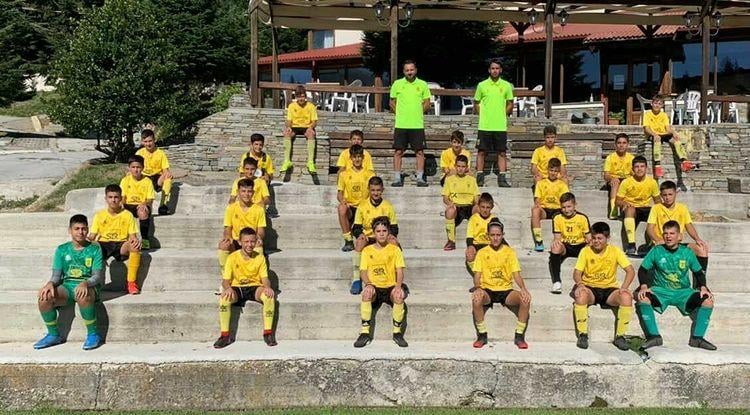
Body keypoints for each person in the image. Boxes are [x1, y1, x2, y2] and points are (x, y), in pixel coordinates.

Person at [635, 220, 716, 350]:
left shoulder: (687, 252)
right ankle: (654, 337)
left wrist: (703, 287)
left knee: (708, 301)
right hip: (661, 291)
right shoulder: (656, 251)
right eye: (665, 233)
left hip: (683, 293)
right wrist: (644, 286)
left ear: (679, 236)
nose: (668, 236)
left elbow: (698, 273)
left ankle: (697, 338)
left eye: (672, 233)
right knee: (643, 298)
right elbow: (642, 270)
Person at [34, 214, 105, 350]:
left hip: (88, 287)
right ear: (70, 230)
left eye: (83, 229)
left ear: (87, 230)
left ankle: (93, 334)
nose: (80, 232)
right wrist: (50, 284)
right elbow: (56, 276)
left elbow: (97, 276)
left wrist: (85, 283)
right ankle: (53, 335)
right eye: (76, 229)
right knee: (44, 297)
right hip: (67, 287)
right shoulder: (62, 249)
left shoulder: (95, 249)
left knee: (82, 294)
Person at [572, 222, 635, 350]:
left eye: (600, 238)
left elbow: (630, 271)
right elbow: (577, 272)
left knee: (626, 297)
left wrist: (624, 287)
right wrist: (580, 284)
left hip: (609, 290)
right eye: (594, 238)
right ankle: (583, 334)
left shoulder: (615, 251)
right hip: (590, 288)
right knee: (580, 295)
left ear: (608, 238)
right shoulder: (585, 251)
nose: (596, 241)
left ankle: (620, 336)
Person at [471, 218, 531, 349]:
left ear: (503, 235)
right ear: (488, 236)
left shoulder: (510, 252)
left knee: (525, 299)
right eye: (492, 235)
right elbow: (477, 275)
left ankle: (519, 335)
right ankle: (482, 335)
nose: (495, 238)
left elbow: (516, 274)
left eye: (498, 235)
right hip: (488, 290)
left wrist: (523, 288)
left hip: (505, 290)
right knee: (476, 299)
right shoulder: (482, 253)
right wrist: (478, 288)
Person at [213, 227, 277, 348]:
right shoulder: (232, 257)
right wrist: (228, 288)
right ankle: (224, 336)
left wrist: (268, 287)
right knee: (224, 299)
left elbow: (264, 278)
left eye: (252, 241)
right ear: (239, 242)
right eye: (246, 241)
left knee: (269, 296)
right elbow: (225, 281)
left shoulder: (260, 257)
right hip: (237, 288)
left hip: (254, 287)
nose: (249, 245)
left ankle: (268, 333)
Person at [353, 217, 409, 348]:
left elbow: (400, 270)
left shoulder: (394, 249)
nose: (382, 234)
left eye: (384, 231)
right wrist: (368, 284)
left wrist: (398, 286)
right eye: (378, 231)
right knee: (366, 294)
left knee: (399, 296)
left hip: (390, 286)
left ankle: (397, 333)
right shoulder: (367, 250)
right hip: (375, 286)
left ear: (388, 232)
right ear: (374, 233)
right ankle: (365, 332)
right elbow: (363, 271)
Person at [88, 184, 142, 295]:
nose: (113, 200)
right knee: (90, 246)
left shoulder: (128, 215)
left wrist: (135, 240)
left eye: (116, 197)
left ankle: (131, 283)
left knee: (134, 246)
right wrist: (86, 241)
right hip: (103, 244)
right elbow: (92, 236)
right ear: (106, 198)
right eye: (110, 197)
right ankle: (92, 283)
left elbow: (132, 236)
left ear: (121, 198)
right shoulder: (99, 215)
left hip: (121, 245)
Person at [351, 176, 399, 295]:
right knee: (359, 243)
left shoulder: (388, 206)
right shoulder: (362, 206)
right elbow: (356, 227)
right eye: (373, 190)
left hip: (383, 237)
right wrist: (360, 234)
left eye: (378, 190)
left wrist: (391, 235)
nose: (375, 193)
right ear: (369, 190)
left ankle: (396, 279)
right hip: (369, 237)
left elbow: (394, 227)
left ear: (382, 190)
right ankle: (356, 279)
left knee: (394, 243)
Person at [646, 180, 709, 269]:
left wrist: (697, 239)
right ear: (661, 195)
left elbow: (689, 225)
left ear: (676, 193)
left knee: (701, 250)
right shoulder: (656, 208)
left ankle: (700, 278)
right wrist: (658, 240)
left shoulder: (682, 208)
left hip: (677, 244)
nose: (667, 197)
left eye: (670, 194)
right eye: (664, 195)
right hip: (662, 244)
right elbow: (649, 228)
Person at [390, 60, 431, 187]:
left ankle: (420, 178)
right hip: (401, 124)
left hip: (417, 125)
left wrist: (417, 113)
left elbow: (427, 103)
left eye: (411, 69)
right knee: (398, 152)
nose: (409, 72)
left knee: (419, 152)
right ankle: (397, 178)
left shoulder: (422, 84)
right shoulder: (397, 84)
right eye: (407, 70)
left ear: (416, 70)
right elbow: (392, 102)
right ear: (403, 71)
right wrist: (400, 113)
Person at [474, 59, 514, 187]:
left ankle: (502, 179)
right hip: (484, 126)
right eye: (492, 68)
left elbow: (510, 103)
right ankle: (479, 177)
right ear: (489, 70)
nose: (495, 71)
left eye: (497, 68)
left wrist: (502, 114)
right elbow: (476, 102)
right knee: (481, 152)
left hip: (500, 126)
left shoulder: (506, 86)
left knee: (502, 152)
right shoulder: (481, 85)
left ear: (500, 70)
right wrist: (483, 115)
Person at [642, 96, 695, 184]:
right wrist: (654, 134)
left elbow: (667, 128)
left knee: (676, 141)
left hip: (663, 134)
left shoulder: (663, 115)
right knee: (657, 140)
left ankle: (684, 161)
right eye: (655, 103)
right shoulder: (647, 114)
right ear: (651, 104)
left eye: (659, 104)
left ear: (662, 105)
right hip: (652, 134)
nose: (657, 105)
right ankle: (657, 165)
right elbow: (646, 128)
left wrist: (674, 133)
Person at [616, 156, 660, 257]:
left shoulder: (652, 182)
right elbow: (617, 201)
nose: (639, 169)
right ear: (632, 169)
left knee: (657, 211)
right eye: (636, 167)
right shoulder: (626, 182)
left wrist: (661, 210)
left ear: (646, 168)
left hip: (645, 208)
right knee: (630, 209)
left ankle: (652, 244)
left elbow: (657, 200)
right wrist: (624, 203)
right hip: (630, 209)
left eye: (642, 166)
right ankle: (631, 245)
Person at [218, 179, 266, 271]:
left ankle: (256, 273)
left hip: (250, 241)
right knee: (223, 245)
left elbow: (261, 230)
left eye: (249, 191)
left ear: (253, 193)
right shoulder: (231, 208)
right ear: (237, 192)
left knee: (258, 245)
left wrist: (259, 237)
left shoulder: (259, 209)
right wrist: (228, 237)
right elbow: (227, 228)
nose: (246, 194)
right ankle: (226, 274)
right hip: (236, 241)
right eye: (243, 191)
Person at [549, 192, 591, 294]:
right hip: (566, 246)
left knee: (591, 249)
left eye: (569, 206)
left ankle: (587, 281)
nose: (566, 210)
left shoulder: (582, 218)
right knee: (555, 247)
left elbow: (589, 238)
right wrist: (556, 243)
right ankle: (557, 282)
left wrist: (589, 244)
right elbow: (557, 238)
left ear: (575, 205)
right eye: (563, 207)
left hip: (580, 246)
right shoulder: (557, 217)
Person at [337, 145, 375, 252]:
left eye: (359, 157)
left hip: (364, 208)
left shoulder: (370, 174)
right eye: (354, 157)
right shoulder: (344, 174)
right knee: (341, 208)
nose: (357, 159)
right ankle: (348, 240)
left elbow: (374, 191)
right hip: (351, 207)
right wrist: (343, 201)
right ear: (351, 158)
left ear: (363, 158)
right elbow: (339, 193)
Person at [531, 158, 569, 252]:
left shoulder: (562, 185)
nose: (553, 173)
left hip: (557, 210)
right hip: (545, 210)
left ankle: (563, 241)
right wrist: (537, 206)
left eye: (555, 171)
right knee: (535, 210)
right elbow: (537, 199)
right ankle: (538, 240)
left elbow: (566, 199)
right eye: (551, 170)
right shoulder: (541, 183)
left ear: (558, 172)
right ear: (547, 170)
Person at [441, 155, 479, 251]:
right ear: (455, 166)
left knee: (478, 208)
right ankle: (451, 241)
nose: (460, 169)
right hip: (456, 207)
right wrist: (450, 204)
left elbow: (476, 197)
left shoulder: (472, 180)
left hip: (469, 206)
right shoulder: (449, 179)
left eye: (463, 166)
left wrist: (477, 204)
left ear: (466, 168)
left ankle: (477, 240)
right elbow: (445, 197)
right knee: (450, 211)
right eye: (458, 166)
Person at [120, 155, 155, 250]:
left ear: (143, 168)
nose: (136, 170)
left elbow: (150, 199)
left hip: (141, 205)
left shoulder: (147, 181)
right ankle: (122, 240)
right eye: (133, 167)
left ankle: (145, 240)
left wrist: (144, 203)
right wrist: (121, 206)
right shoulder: (125, 180)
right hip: (128, 205)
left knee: (142, 212)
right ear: (129, 168)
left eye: (138, 167)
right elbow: (123, 197)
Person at [282, 85, 318, 175]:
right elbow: (289, 120)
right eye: (299, 97)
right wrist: (288, 127)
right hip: (295, 127)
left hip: (307, 127)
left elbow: (314, 121)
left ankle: (310, 162)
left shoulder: (311, 106)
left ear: (305, 96)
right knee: (286, 133)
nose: (301, 99)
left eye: (302, 96)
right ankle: (287, 161)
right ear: (296, 97)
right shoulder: (291, 106)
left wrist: (311, 127)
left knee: (311, 134)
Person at [136, 129, 173, 215]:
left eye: (150, 141)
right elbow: (135, 167)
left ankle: (163, 205)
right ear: (142, 142)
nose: (148, 144)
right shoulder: (139, 153)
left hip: (157, 178)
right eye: (145, 141)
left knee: (168, 178)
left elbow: (165, 169)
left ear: (154, 140)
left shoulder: (160, 153)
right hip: (144, 177)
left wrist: (167, 173)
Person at [603, 133, 635, 219]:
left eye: (624, 143)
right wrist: (612, 178)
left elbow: (634, 174)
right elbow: (606, 175)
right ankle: (613, 210)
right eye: (619, 143)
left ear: (628, 144)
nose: (621, 145)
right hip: (613, 181)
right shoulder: (610, 157)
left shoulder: (631, 158)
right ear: (615, 144)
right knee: (616, 182)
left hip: (626, 181)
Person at [465, 193, 497, 275]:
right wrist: (470, 246)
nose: (485, 210)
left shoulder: (494, 219)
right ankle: (479, 276)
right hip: (477, 244)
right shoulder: (473, 218)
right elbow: (469, 236)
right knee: (469, 255)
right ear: (478, 206)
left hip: (489, 244)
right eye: (483, 207)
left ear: (492, 207)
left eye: (488, 207)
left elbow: (498, 235)